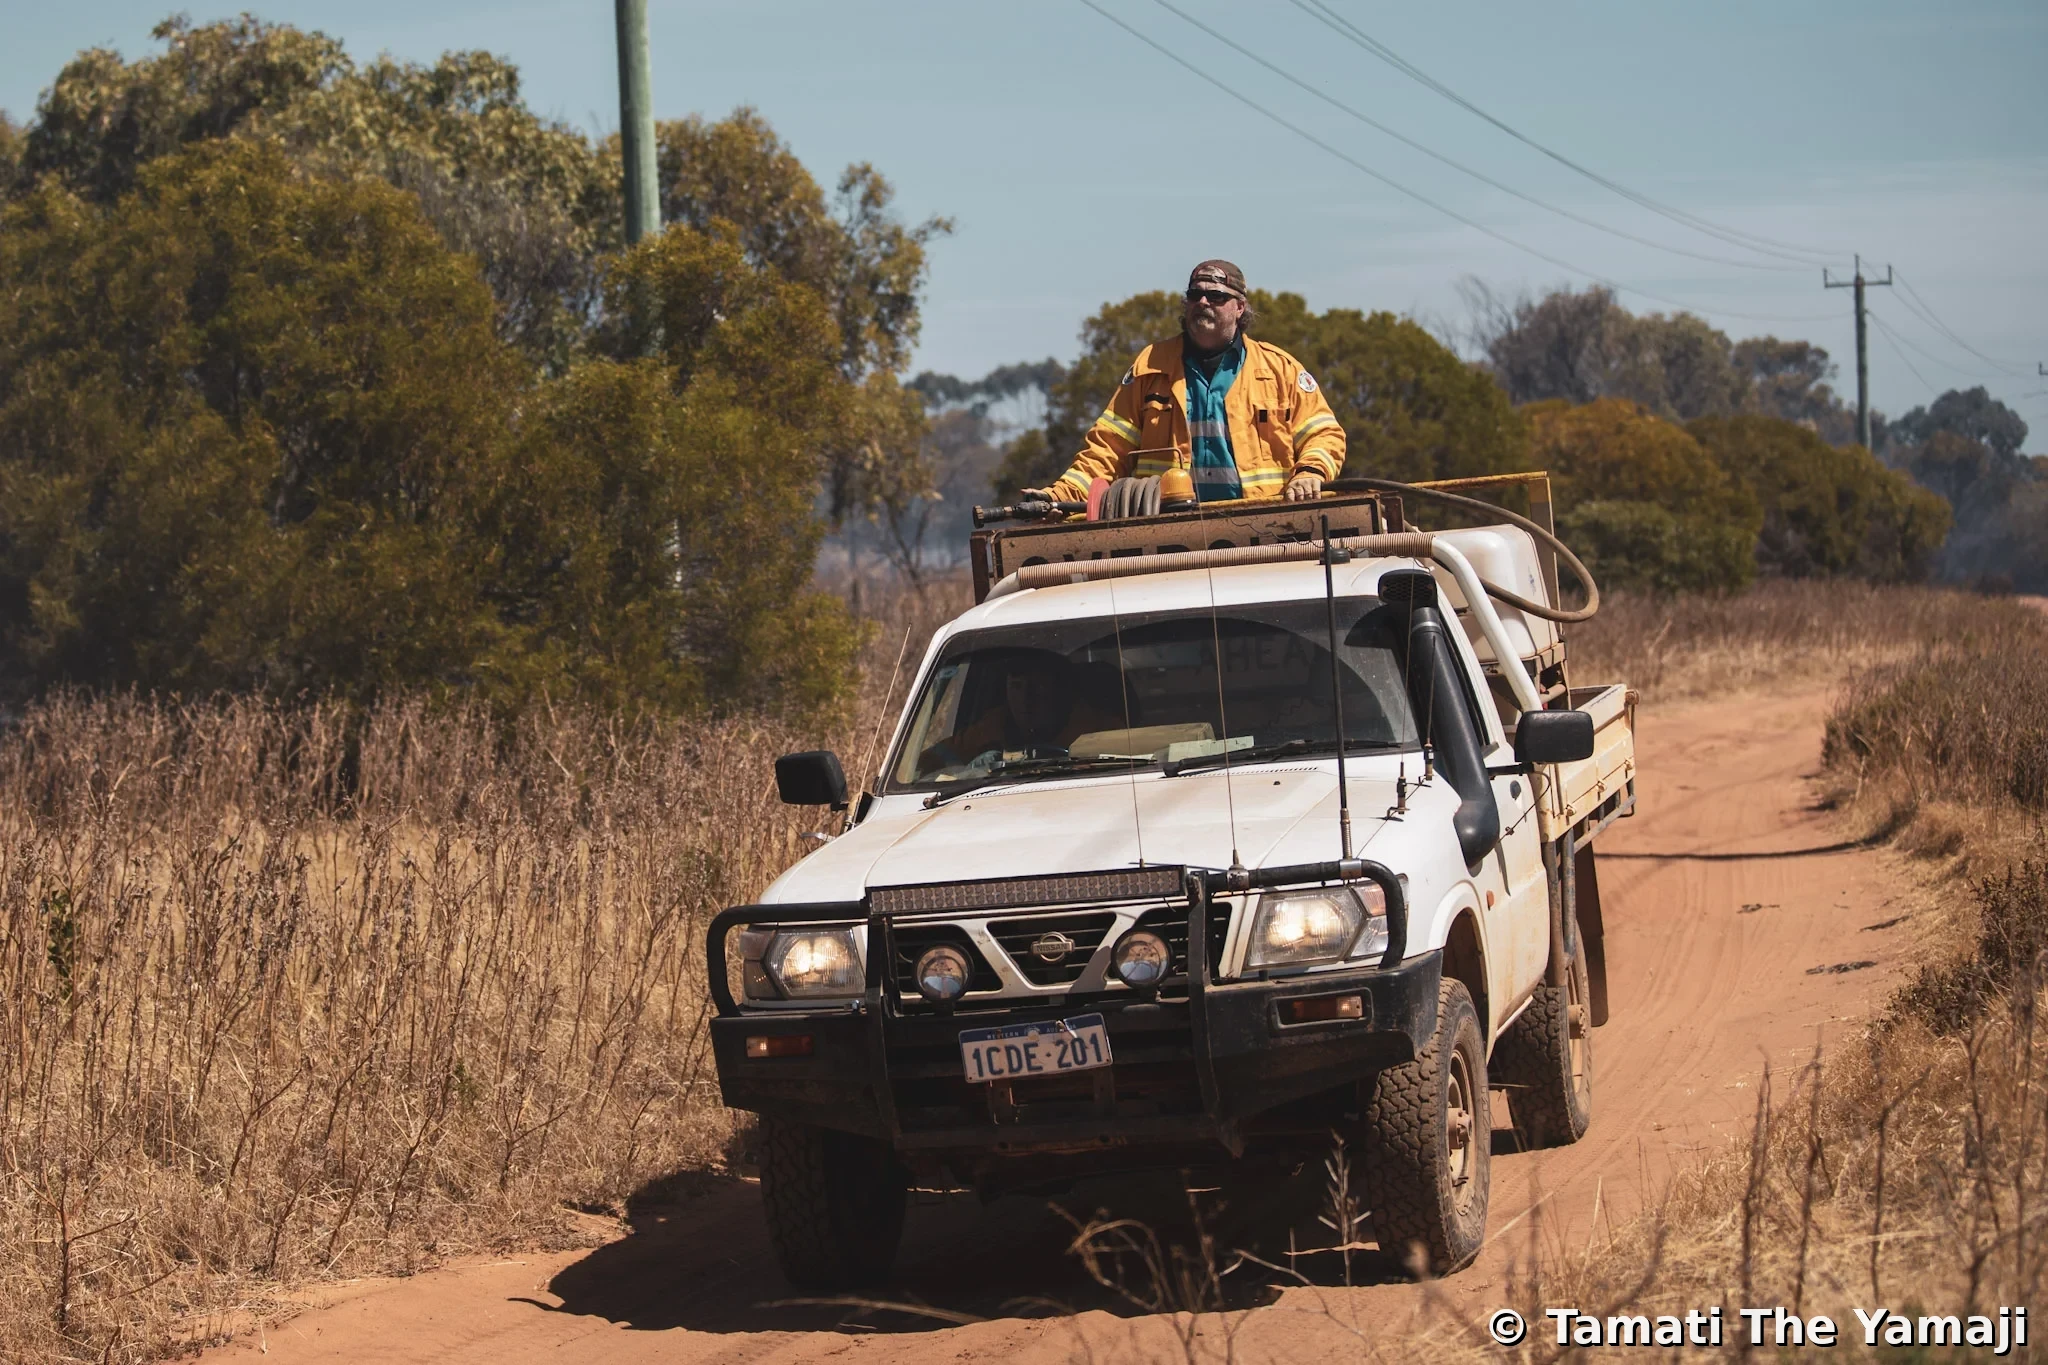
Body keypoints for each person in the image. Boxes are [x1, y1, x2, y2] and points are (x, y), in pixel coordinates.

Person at [1030, 260, 1346, 506]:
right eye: (1195, 295)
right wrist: (1057, 496)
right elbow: (1106, 451)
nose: (1203, 302)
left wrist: (1310, 473)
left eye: (1217, 296)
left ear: (1239, 308)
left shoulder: (1280, 370)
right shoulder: (1150, 367)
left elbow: (1323, 434)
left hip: (1266, 527)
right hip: (1169, 534)